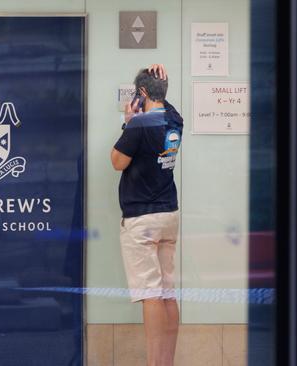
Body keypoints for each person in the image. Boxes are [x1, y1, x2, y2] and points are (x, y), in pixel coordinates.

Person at [111, 64, 183, 366]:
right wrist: (157, 86)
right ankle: (166, 361)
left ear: (141, 94)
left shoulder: (139, 125)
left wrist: (128, 121)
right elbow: (164, 103)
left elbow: (117, 161)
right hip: (169, 214)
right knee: (167, 292)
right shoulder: (174, 119)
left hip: (142, 219)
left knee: (151, 294)